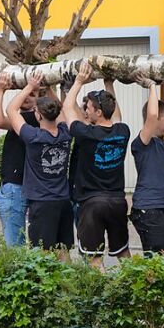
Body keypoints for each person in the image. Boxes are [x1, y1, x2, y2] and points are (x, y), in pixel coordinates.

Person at [63, 60, 131, 267]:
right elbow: (116, 114)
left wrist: (78, 82)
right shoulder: (123, 131)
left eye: (89, 108)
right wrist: (109, 85)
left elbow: (67, 108)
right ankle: (138, 291)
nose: (86, 111)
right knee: (124, 252)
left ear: (98, 113)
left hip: (92, 203)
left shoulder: (86, 134)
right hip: (118, 202)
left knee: (94, 258)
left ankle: (100, 296)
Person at [6, 72, 73, 257]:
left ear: (39, 116)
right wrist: (50, 88)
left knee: (42, 252)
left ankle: (45, 285)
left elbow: (11, 110)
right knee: (63, 250)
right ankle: (67, 285)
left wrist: (30, 86)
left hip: (42, 203)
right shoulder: (66, 133)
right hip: (63, 201)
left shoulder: (33, 137)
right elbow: (63, 111)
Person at [0, 72, 39, 247]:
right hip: (20, 187)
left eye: (32, 94)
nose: (27, 97)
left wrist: (1, 90)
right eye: (24, 92)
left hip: (17, 188)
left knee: (15, 245)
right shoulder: (24, 118)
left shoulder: (31, 119)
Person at [129, 74, 164, 255]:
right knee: (159, 259)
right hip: (148, 209)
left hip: (157, 208)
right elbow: (154, 114)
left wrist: (163, 84)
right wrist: (151, 86)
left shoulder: (159, 139)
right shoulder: (142, 142)